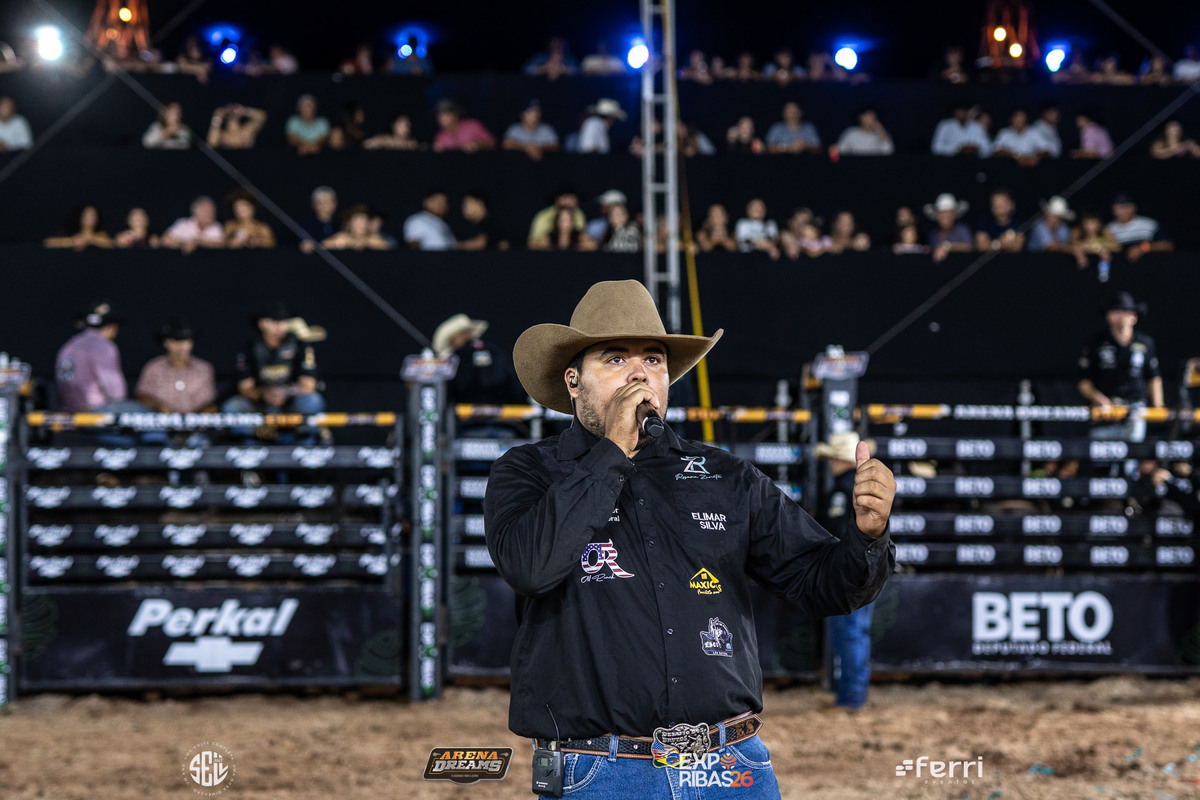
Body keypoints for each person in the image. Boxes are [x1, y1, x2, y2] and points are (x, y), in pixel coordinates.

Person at [484, 279, 895, 798]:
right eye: (616, 358)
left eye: (654, 360)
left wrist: (867, 535)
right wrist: (614, 450)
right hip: (601, 773)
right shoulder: (527, 471)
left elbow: (822, 584)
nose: (639, 373)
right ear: (573, 382)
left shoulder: (726, 476)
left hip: (732, 765)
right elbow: (530, 566)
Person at [815, 431, 878, 713]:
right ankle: (850, 694)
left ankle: (852, 698)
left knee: (849, 634)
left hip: (848, 573)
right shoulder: (867, 488)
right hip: (866, 569)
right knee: (853, 633)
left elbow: (836, 533)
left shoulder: (842, 491)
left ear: (839, 460)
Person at [223, 301, 326, 444]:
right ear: (262, 323)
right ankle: (250, 452)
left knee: (313, 401)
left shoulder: (300, 345)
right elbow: (245, 388)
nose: (281, 325)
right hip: (261, 407)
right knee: (233, 406)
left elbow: (309, 385)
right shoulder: (249, 348)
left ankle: (305, 450)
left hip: (291, 405)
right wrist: (265, 394)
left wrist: (285, 392)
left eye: (284, 321)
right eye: (275, 321)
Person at [1077, 291, 1162, 445]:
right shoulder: (1096, 343)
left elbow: (1153, 377)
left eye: (1126, 312)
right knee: (1101, 453)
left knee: (1133, 452)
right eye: (1116, 312)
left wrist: (1158, 407)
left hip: (1135, 408)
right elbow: (1084, 381)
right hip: (1105, 412)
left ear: (1134, 317)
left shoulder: (1145, 343)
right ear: (1108, 316)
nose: (1122, 317)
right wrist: (1100, 400)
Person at [432, 313, 525, 408]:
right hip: (505, 412)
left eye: (453, 339)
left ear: (457, 336)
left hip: (465, 414)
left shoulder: (459, 358)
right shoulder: (494, 350)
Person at [134, 318, 217, 414]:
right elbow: (141, 396)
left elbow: (210, 403)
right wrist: (158, 405)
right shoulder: (153, 367)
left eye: (185, 340)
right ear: (166, 343)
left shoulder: (204, 368)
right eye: (175, 340)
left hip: (196, 421)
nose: (181, 346)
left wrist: (196, 415)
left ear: (191, 343)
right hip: (160, 420)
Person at [1105, 194, 1173, 263]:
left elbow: (1168, 245)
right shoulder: (1108, 229)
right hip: (1120, 267)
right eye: (1118, 207)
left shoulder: (1149, 224)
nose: (1123, 211)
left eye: (1126, 206)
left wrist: (1143, 248)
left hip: (1150, 266)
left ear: (1134, 207)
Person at [923, 192, 973, 263]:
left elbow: (969, 247)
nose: (945, 217)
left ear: (954, 215)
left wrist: (948, 246)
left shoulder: (962, 230)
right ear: (937, 216)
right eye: (942, 214)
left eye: (949, 214)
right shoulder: (933, 234)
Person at [974, 188, 1025, 252]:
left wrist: (992, 244)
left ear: (1012, 205)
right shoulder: (985, 219)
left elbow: (1018, 247)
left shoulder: (1018, 219)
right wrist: (999, 243)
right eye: (994, 203)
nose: (997, 206)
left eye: (1001, 203)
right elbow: (981, 246)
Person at [44, 205, 114, 250]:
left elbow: (112, 244)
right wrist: (72, 241)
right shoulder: (70, 233)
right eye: (87, 216)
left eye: (93, 216)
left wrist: (90, 239)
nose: (90, 218)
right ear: (80, 217)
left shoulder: (101, 234)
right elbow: (48, 242)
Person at [324, 205, 392, 250]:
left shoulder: (374, 238)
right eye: (357, 221)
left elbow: (385, 246)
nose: (360, 225)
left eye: (363, 221)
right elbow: (324, 246)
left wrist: (365, 243)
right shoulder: (342, 236)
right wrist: (340, 244)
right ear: (349, 223)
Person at [300, 186, 338, 253]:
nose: (323, 206)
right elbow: (305, 244)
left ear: (334, 204)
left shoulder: (341, 223)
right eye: (320, 202)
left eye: (326, 202)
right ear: (313, 205)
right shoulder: (307, 225)